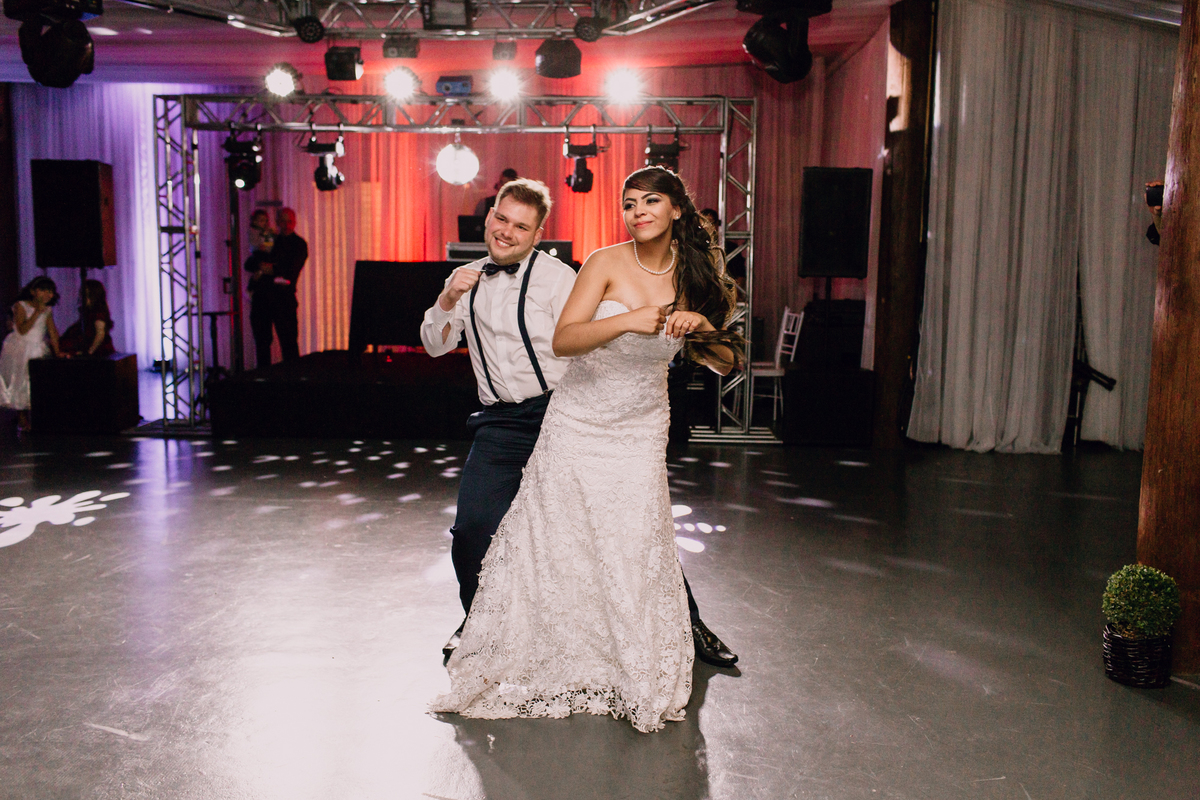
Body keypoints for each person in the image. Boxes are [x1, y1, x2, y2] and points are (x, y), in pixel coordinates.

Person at [430, 167, 742, 733]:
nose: (637, 211)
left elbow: (725, 360)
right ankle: (486, 629)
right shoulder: (591, 263)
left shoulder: (676, 275)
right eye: (628, 202)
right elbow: (551, 340)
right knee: (500, 531)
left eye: (650, 201)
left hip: (628, 421)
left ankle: (682, 631)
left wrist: (701, 329)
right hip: (536, 418)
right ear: (489, 219)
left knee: (635, 535)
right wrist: (448, 299)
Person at [246, 207, 307, 367]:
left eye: (290, 221)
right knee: (262, 344)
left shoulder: (298, 244)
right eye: (282, 221)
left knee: (289, 345)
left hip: (283, 300)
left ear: (294, 222)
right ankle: (264, 384)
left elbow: (291, 270)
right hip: (263, 299)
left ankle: (293, 383)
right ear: (278, 222)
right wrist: (263, 265)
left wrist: (269, 269)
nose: (286, 224)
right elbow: (251, 262)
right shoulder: (271, 239)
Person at [0, 276, 62, 431]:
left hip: (37, 347)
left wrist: (58, 351)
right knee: (21, 381)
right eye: (43, 290)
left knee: (36, 382)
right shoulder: (20, 306)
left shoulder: (48, 310)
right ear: (34, 291)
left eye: (50, 291)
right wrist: (36, 313)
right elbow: (22, 330)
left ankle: (38, 418)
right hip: (20, 347)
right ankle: (22, 418)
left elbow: (52, 331)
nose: (47, 295)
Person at [59, 279, 115, 358]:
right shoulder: (88, 311)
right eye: (82, 295)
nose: (83, 298)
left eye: (87, 295)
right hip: (87, 341)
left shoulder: (99, 312)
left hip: (96, 348)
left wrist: (89, 352)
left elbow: (100, 334)